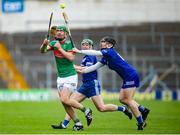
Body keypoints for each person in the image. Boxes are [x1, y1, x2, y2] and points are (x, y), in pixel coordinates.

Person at [51, 39, 133, 130]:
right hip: (85, 85)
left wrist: (71, 67)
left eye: (87, 45)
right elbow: (82, 70)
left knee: (101, 108)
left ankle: (123, 109)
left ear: (91, 47)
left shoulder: (90, 57)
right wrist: (72, 69)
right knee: (70, 102)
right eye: (83, 44)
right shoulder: (85, 57)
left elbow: (86, 69)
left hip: (92, 84)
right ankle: (65, 124)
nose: (84, 46)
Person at [73, 36, 150, 130]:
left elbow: (96, 52)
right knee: (122, 99)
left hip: (130, 76)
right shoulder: (106, 57)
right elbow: (93, 67)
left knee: (128, 100)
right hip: (127, 77)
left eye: (104, 42)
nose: (101, 43)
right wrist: (82, 71)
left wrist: (79, 51)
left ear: (109, 45)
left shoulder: (109, 51)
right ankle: (142, 109)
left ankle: (141, 123)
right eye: (101, 41)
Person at [40, 25, 92, 131]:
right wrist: (44, 45)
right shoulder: (54, 43)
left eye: (61, 31)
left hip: (70, 76)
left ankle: (86, 110)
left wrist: (59, 48)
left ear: (66, 34)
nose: (58, 32)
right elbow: (43, 51)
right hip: (61, 77)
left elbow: (71, 58)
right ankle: (78, 123)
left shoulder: (69, 44)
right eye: (57, 31)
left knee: (65, 99)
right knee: (64, 102)